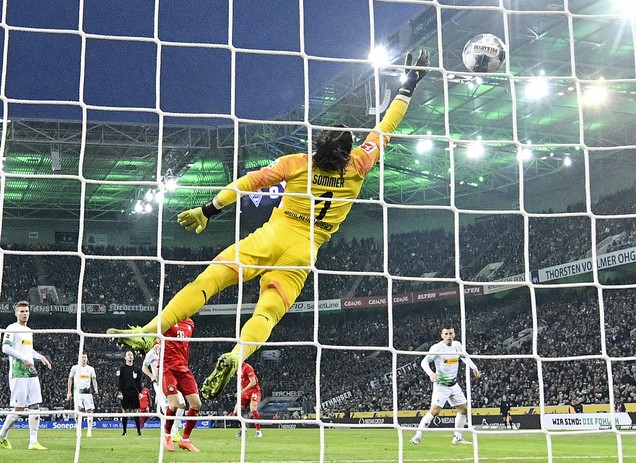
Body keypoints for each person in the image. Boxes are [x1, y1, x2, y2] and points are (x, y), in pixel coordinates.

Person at [108, 49, 431, 400]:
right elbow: (386, 126)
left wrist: (208, 209)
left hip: (274, 235)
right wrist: (409, 83)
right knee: (268, 312)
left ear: (318, 144)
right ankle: (237, 354)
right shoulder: (360, 164)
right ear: (347, 151)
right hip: (304, 251)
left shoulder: (298, 162)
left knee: (210, 280)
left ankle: (149, 330)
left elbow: (248, 183)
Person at [410, 325, 481, 445]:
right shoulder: (437, 348)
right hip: (441, 385)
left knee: (464, 410)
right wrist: (431, 374)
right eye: (446, 334)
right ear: (442, 336)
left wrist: (474, 367)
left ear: (454, 334)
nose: (448, 336)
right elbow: (424, 362)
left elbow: (465, 357)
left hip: (454, 384)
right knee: (434, 411)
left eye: (450, 333)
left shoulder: (457, 345)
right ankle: (417, 436)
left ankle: (457, 437)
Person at [0, 301, 52, 450]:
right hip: (18, 372)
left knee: (35, 405)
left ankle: (33, 442)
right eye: (21, 311)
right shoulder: (11, 328)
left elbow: (29, 350)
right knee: (19, 409)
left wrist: (40, 357)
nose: (24, 313)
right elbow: (5, 348)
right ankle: (2, 433)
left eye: (26, 311)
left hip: (31, 372)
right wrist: (23, 359)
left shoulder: (29, 330)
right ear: (16, 313)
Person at [154, 318, 201, 453]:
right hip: (167, 368)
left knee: (196, 404)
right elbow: (157, 334)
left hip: (183, 369)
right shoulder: (168, 319)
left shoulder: (190, 323)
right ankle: (167, 435)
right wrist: (156, 343)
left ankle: (185, 440)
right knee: (174, 404)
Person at [142, 342, 184, 442]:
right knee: (166, 408)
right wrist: (152, 376)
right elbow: (144, 367)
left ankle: (175, 430)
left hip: (172, 381)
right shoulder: (152, 353)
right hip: (159, 384)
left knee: (181, 404)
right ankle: (169, 434)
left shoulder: (169, 350)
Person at [66, 353, 98, 437]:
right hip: (78, 393)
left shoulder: (91, 369)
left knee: (90, 411)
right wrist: (69, 392)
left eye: (85, 357)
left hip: (87, 393)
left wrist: (96, 388)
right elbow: (70, 379)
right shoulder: (75, 368)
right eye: (82, 357)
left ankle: (89, 430)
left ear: (87, 359)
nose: (84, 359)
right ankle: (78, 429)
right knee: (78, 410)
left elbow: (94, 379)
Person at [233, 362, 263, 438]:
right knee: (236, 411)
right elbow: (241, 382)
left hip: (254, 390)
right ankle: (243, 428)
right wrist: (240, 391)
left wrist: (242, 390)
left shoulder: (247, 368)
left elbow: (253, 382)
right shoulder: (237, 369)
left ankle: (258, 431)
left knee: (253, 408)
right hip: (245, 392)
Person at [116, 351, 142, 436]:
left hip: (134, 392)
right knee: (125, 411)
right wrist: (120, 392)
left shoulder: (137, 369)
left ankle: (138, 431)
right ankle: (124, 431)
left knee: (136, 411)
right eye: (128, 355)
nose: (130, 356)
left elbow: (139, 382)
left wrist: (140, 392)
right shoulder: (122, 368)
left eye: (131, 355)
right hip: (125, 392)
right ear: (125, 358)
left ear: (133, 357)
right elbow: (120, 381)